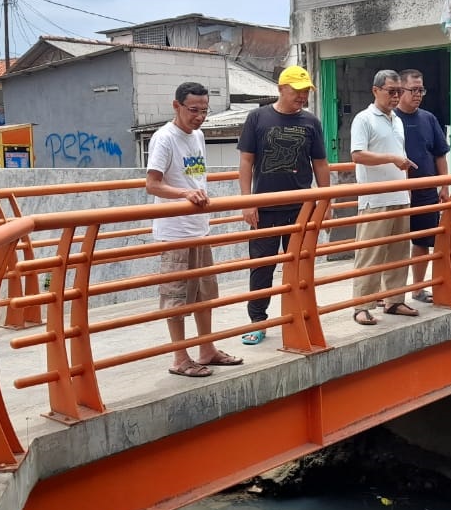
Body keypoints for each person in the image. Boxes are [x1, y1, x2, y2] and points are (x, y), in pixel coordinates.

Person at [145, 81, 243, 377]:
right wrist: (184, 195)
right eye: (193, 110)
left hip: (198, 228)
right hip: (175, 232)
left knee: (204, 293)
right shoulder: (164, 139)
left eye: (204, 110)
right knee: (176, 297)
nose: (199, 116)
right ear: (176, 106)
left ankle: (206, 348)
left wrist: (193, 195)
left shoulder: (198, 135)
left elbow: (195, 179)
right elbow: (153, 184)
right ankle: (179, 357)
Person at [237, 66, 331, 345]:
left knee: (300, 267)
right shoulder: (257, 117)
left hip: (300, 207)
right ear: (281, 89)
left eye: (305, 92)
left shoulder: (311, 122)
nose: (301, 97)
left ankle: (298, 315)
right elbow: (245, 161)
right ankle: (258, 321)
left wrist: (326, 198)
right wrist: (247, 201)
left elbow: (320, 163)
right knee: (262, 267)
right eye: (297, 91)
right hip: (264, 206)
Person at [350, 69, 420, 326]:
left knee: (399, 251)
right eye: (391, 91)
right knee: (370, 253)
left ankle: (394, 299)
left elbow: (397, 152)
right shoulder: (364, 119)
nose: (396, 96)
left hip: (399, 194)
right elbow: (357, 154)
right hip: (375, 198)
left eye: (399, 91)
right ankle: (362, 305)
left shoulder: (397, 120)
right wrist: (392, 159)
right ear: (376, 90)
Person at [394, 69, 450, 304]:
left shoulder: (428, 119)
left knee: (423, 241)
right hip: (396, 192)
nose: (418, 95)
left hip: (426, 190)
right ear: (400, 90)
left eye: (421, 90)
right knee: (390, 245)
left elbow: (439, 154)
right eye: (413, 90)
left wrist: (444, 185)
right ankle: (386, 294)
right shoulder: (390, 119)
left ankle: (418, 289)